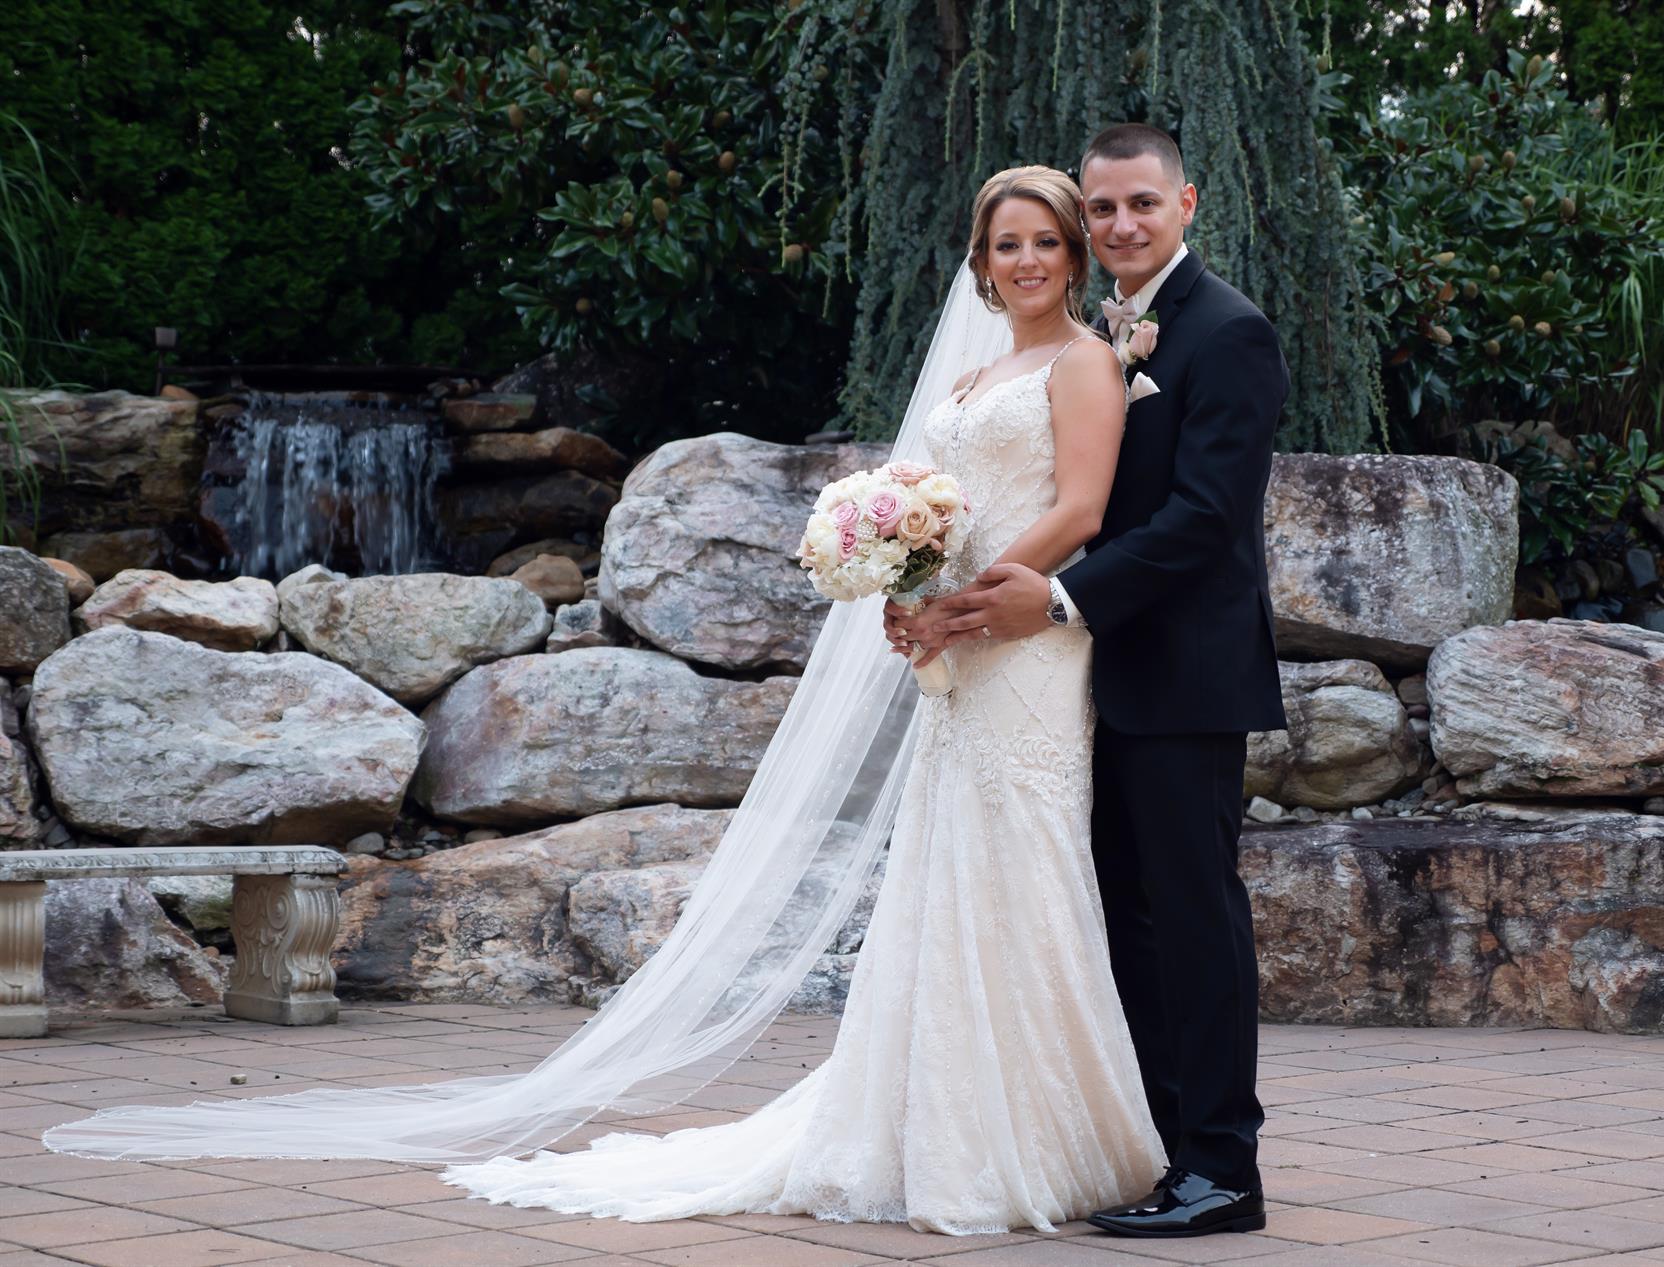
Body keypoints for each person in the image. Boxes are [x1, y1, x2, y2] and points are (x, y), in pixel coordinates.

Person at [44, 163, 1183, 1238]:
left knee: (1026, 865)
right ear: (980, 261)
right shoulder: (973, 378)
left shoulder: (1083, 364)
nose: (1025, 261)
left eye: (1045, 242)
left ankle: (1043, 1138)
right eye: (1005, 244)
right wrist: (911, 592)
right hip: (958, 645)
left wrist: (959, 605)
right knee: (948, 873)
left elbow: (1081, 510)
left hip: (1021, 650)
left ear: (1073, 256)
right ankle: (944, 1130)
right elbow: (947, 508)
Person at [901, 123, 1289, 1238]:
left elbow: (1204, 519)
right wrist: (931, 591)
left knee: (1195, 920)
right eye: (1105, 207)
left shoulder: (1227, 331)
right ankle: (1162, 1150)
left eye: (1141, 204)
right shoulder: (1111, 332)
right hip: (1087, 677)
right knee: (1126, 921)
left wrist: (1059, 598)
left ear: (1186, 204)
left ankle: (1223, 1171)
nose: (1122, 224)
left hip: (1182, 675)